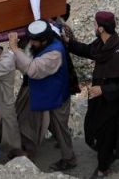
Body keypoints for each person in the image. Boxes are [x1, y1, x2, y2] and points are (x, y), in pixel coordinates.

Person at [63, 12, 119, 178]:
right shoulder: (102, 44)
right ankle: (108, 155)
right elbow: (89, 50)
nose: (93, 27)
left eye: (95, 24)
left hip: (113, 104)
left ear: (101, 28)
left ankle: (103, 168)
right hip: (100, 100)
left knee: (105, 136)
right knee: (91, 131)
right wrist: (69, 43)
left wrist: (103, 89)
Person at [8, 21, 76, 172]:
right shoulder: (45, 42)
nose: (31, 43)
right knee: (29, 120)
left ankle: (69, 158)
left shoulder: (55, 52)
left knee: (59, 128)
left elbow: (32, 69)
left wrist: (14, 49)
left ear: (44, 40)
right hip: (43, 93)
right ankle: (28, 148)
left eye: (34, 40)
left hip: (56, 96)